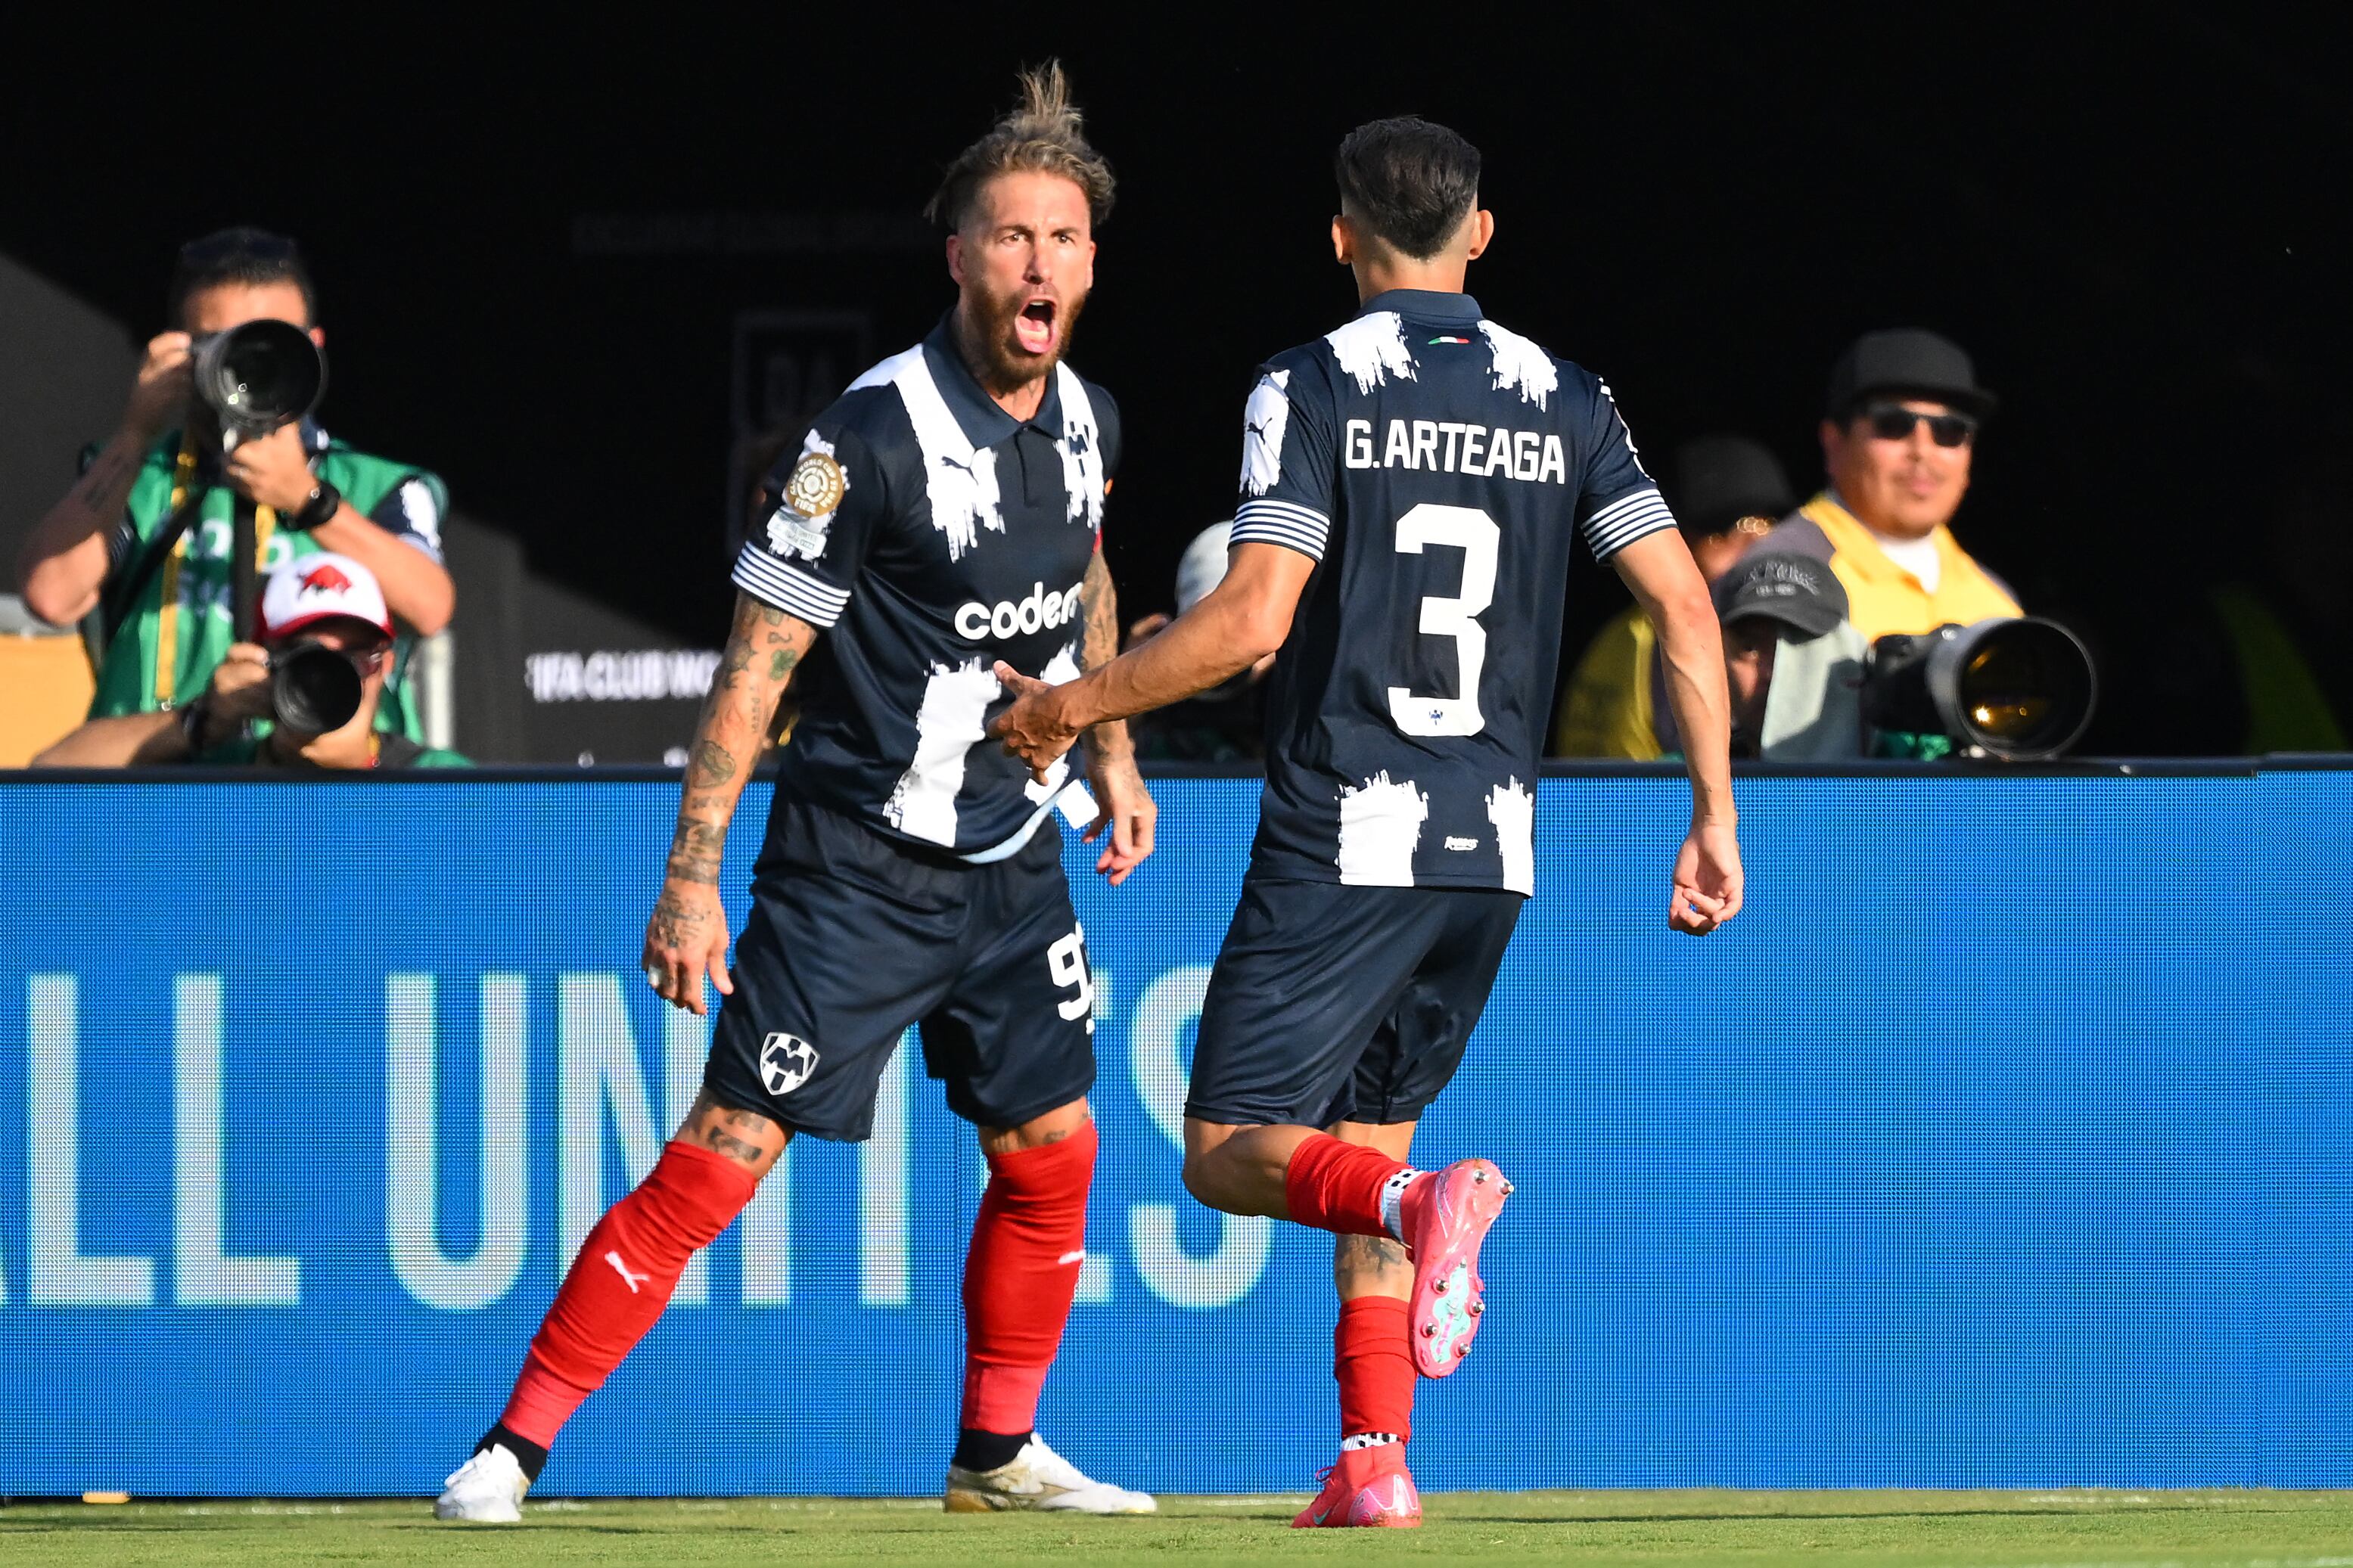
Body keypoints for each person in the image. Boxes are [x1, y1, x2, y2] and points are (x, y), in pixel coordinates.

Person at [993, 116, 1740, 1529]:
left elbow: (1254, 617)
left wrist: (1073, 704)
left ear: (1339, 236)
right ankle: (1374, 1459)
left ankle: (1423, 1211)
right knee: (1366, 1141)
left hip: (1352, 824)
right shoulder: (1564, 392)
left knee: (1229, 1151)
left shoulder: (1314, 381)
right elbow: (1684, 607)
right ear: (1482, 233)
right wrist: (1711, 809)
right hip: (1494, 849)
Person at [434, 64, 1158, 1523]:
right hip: (858, 865)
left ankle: (997, 1455)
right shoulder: (866, 437)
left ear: (1090, 261)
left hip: (1011, 858)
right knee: (725, 1150)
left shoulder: (1090, 418)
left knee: (1054, 1145)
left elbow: (1084, 572)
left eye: (1064, 239)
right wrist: (692, 872)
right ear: (956, 252)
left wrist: (1110, 751)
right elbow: (761, 661)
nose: (1040, 264)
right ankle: (511, 1449)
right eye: (1012, 236)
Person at [13, 227, 454, 741]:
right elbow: (50, 596)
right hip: (158, 782)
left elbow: (430, 608)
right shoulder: (142, 475)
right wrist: (134, 434)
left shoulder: (377, 484)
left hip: (323, 788)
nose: (248, 365)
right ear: (180, 351)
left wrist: (307, 500)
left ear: (314, 349)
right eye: (220, 346)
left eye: (271, 344)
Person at [31, 554, 467, 768]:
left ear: (385, 666)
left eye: (355, 657)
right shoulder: (224, 771)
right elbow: (47, 775)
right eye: (308, 655)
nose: (331, 677)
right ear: (265, 662)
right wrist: (198, 720)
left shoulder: (436, 781)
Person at [1756, 328, 2018, 641]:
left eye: (1950, 431)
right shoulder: (1781, 580)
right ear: (1834, 442)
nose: (1922, 451)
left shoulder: (1998, 604)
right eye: (1893, 425)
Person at [1552, 434, 1790, 757]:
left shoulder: (1777, 625)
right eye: (1724, 533)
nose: (1751, 552)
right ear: (1671, 539)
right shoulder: (1649, 640)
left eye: (1767, 529)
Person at [1123, 521, 1270, 763]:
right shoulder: (1158, 704)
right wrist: (1131, 677)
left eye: (1238, 627)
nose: (1223, 653)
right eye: (1207, 620)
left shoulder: (1287, 683)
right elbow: (1105, 767)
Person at [1708, 551, 1866, 760]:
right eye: (1750, 649)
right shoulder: (1677, 782)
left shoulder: (1905, 774)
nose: (1772, 673)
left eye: (1800, 648)